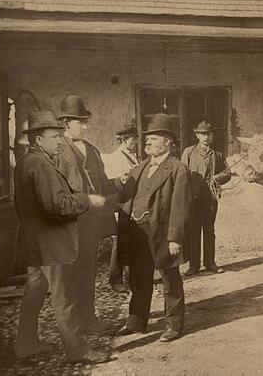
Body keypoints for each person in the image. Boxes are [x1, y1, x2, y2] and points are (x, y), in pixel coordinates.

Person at [13, 110, 110, 364]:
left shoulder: (25, 162)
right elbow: (56, 205)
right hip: (50, 244)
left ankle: (26, 343)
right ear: (38, 140)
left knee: (34, 292)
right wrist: (86, 199)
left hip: (34, 241)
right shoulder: (40, 165)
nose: (59, 141)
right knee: (64, 297)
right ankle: (78, 350)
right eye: (54, 136)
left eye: (59, 135)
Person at [116, 113, 192, 342]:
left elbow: (181, 206)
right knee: (139, 277)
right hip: (138, 232)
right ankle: (136, 321)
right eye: (147, 138)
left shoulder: (178, 169)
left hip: (162, 234)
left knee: (170, 279)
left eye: (154, 138)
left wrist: (175, 238)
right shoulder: (139, 168)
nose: (147, 141)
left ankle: (174, 325)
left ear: (168, 142)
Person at [54, 94, 117, 333]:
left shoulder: (93, 149)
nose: (86, 126)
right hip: (68, 222)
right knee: (67, 275)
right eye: (81, 122)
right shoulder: (57, 150)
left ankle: (88, 318)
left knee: (88, 270)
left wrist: (120, 183)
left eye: (86, 121)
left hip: (90, 222)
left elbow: (101, 182)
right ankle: (73, 326)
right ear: (66, 123)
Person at [181, 120, 231, 276]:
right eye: (203, 134)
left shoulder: (218, 154)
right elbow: (181, 173)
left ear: (212, 135)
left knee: (209, 230)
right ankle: (194, 265)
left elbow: (227, 173)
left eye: (209, 134)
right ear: (197, 135)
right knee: (193, 231)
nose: (206, 138)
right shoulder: (188, 152)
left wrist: (218, 178)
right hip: (193, 199)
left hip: (210, 199)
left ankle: (210, 263)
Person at [102, 119, 140, 293]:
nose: (135, 142)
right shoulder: (115, 158)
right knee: (118, 244)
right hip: (120, 204)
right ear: (122, 140)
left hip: (131, 204)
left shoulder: (134, 156)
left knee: (130, 243)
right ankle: (115, 280)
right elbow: (113, 183)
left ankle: (131, 277)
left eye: (135, 138)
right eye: (132, 139)